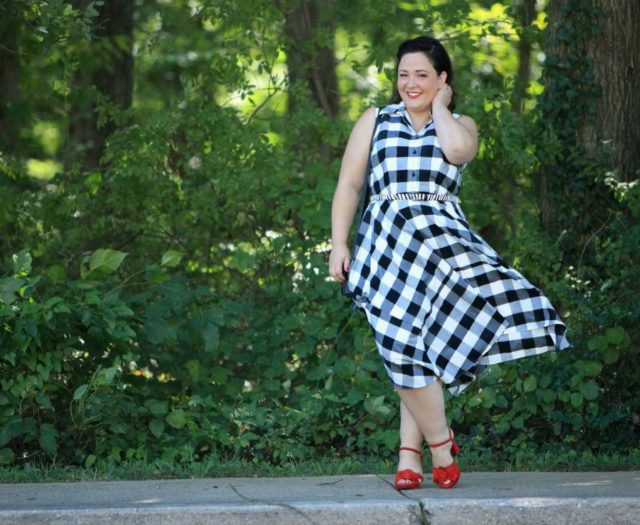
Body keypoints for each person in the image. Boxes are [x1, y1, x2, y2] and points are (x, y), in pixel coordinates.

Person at [329, 36, 569, 490]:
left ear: (443, 80)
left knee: (422, 348)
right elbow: (348, 185)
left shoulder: (461, 123)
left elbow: (459, 153)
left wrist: (440, 109)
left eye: (422, 75)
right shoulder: (375, 120)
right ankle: (441, 445)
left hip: (442, 248)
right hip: (385, 247)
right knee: (398, 344)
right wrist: (339, 243)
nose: (410, 83)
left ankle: (408, 457)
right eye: (403, 74)